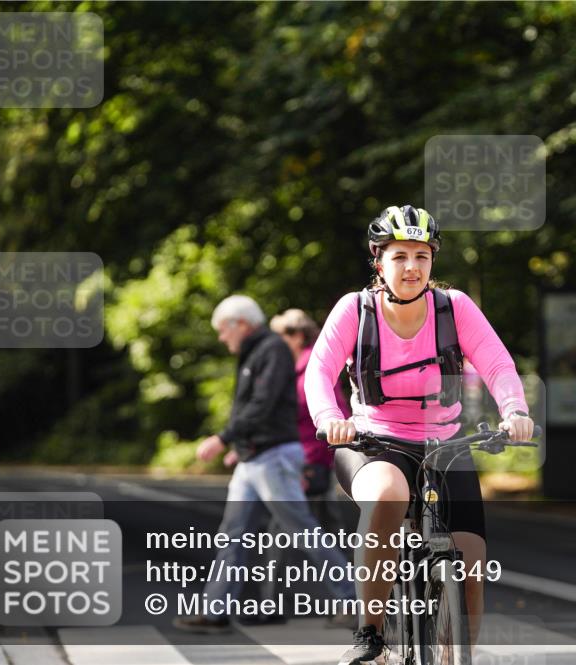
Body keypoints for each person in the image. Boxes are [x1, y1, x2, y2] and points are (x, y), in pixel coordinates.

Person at [305, 205, 534, 664]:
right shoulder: (356, 309)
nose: (412, 267)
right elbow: (319, 372)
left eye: (422, 256)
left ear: (432, 261)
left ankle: (458, 656)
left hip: (444, 446)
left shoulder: (454, 308)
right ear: (379, 260)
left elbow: (496, 362)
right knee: (388, 495)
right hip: (371, 442)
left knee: (470, 561)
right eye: (400, 256)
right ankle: (370, 634)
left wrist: (515, 410)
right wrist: (332, 418)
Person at [173, 295, 355, 634]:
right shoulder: (256, 351)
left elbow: (263, 403)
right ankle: (215, 611)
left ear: (240, 323)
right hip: (254, 456)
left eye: (222, 330)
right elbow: (252, 408)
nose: (220, 337)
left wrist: (224, 438)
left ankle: (354, 600)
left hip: (274, 458)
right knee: (233, 534)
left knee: (304, 531)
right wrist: (239, 445)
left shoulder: (271, 349)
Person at [270, 308, 353, 538]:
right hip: (307, 457)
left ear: (297, 336)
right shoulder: (297, 367)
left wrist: (316, 461)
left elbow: (336, 410)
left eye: (281, 337)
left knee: (289, 523)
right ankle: (341, 570)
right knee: (323, 524)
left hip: (311, 458)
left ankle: (272, 574)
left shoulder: (310, 369)